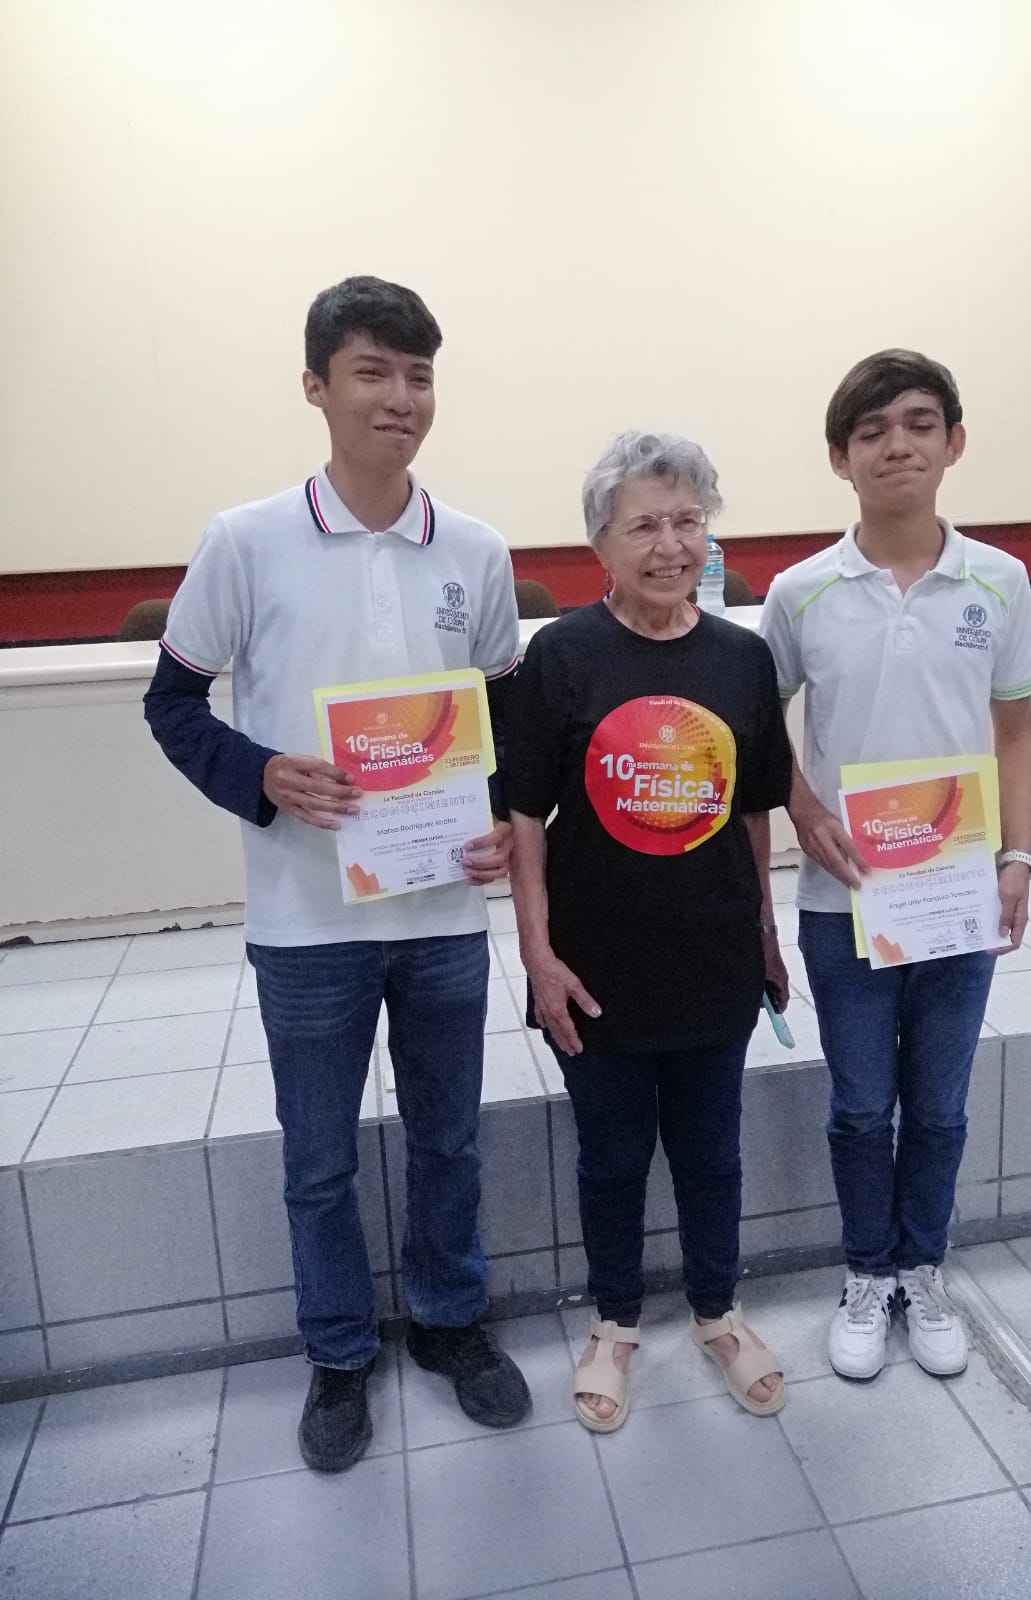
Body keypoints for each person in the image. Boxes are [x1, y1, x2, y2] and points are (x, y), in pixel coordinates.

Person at [144, 275, 531, 1472]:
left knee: (449, 1140)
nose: (399, 397)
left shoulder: (474, 548)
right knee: (317, 1160)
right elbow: (172, 705)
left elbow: (507, 716)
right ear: (316, 385)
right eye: (372, 372)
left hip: (442, 909)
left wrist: (502, 817)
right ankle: (338, 1351)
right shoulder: (245, 540)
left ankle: (451, 1321)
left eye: (418, 375)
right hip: (305, 920)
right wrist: (260, 773)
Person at [761, 350, 1031, 1381]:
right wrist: (802, 807)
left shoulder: (1000, 581)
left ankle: (924, 1269)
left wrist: (1017, 857)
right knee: (857, 1106)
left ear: (953, 442)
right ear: (840, 458)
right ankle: (866, 1272)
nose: (898, 445)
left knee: (939, 1107)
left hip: (958, 894)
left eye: (920, 424)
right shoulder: (800, 592)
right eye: (872, 430)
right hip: (843, 901)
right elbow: (760, 732)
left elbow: (1016, 733)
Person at [506, 430, 791, 1432]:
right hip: (595, 965)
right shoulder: (561, 656)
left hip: (713, 954)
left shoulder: (743, 659)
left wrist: (766, 931)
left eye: (687, 521)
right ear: (601, 543)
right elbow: (522, 817)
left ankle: (718, 1313)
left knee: (713, 1155)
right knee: (612, 1157)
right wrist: (537, 953)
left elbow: (753, 810)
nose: (670, 545)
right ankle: (615, 1325)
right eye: (643, 526)